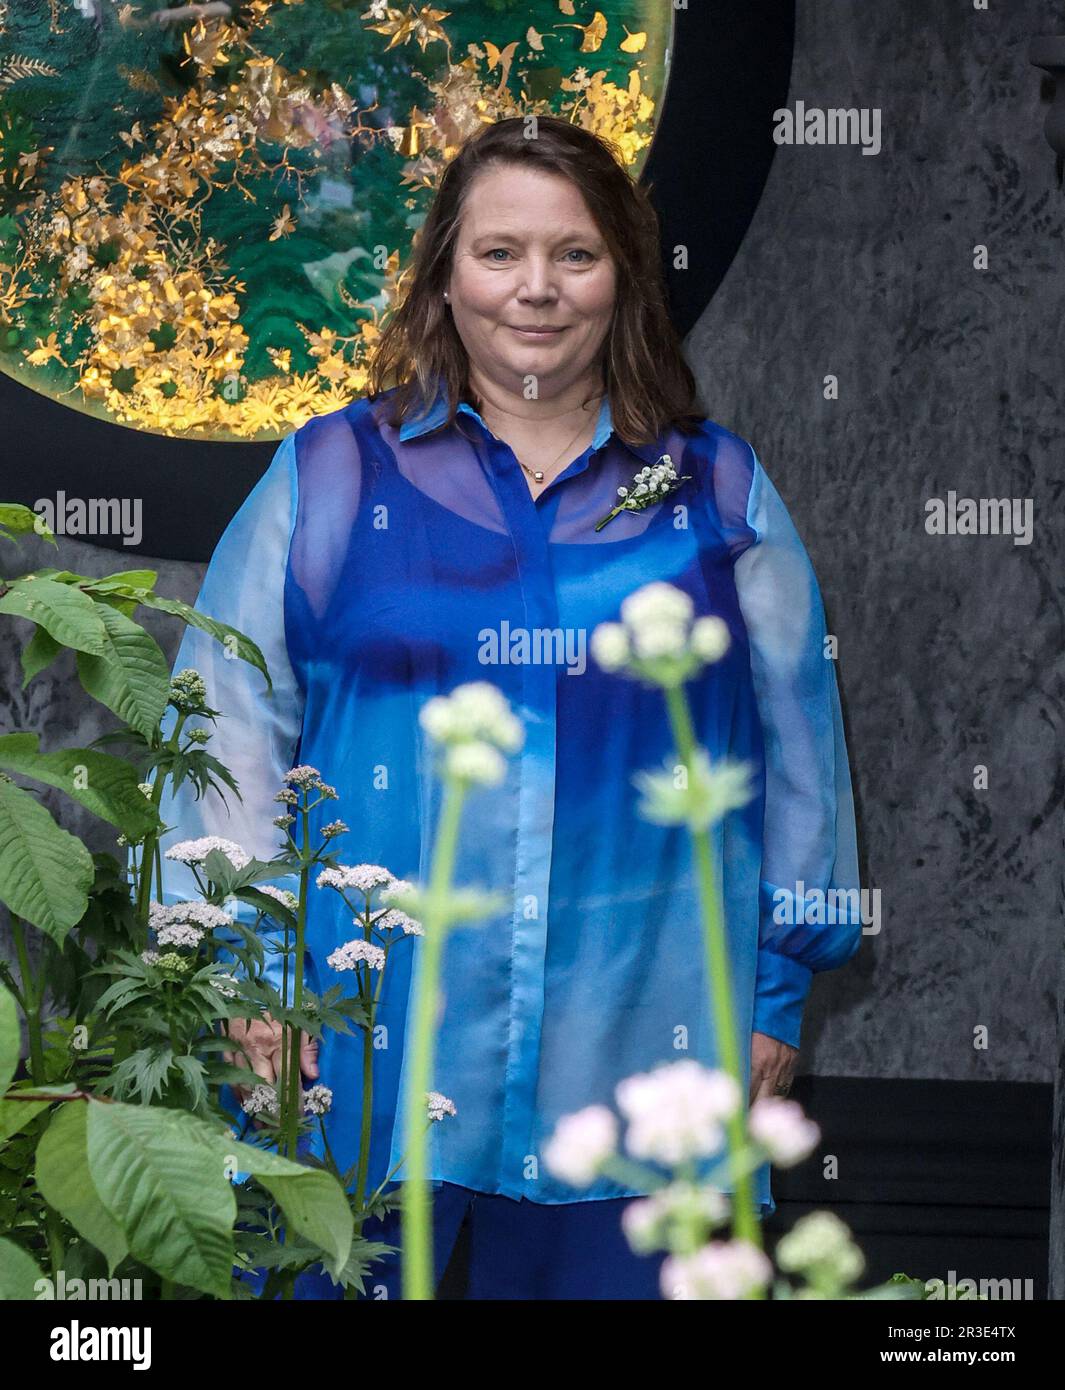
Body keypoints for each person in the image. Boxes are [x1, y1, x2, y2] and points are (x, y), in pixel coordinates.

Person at [155, 115, 863, 1299]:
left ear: (624, 279)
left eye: (575, 255)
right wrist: (244, 978)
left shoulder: (716, 494)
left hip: (645, 1085)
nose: (536, 288)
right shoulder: (329, 477)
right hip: (354, 1078)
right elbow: (222, 727)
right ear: (442, 274)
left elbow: (803, 757)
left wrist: (779, 992)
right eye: (498, 253)